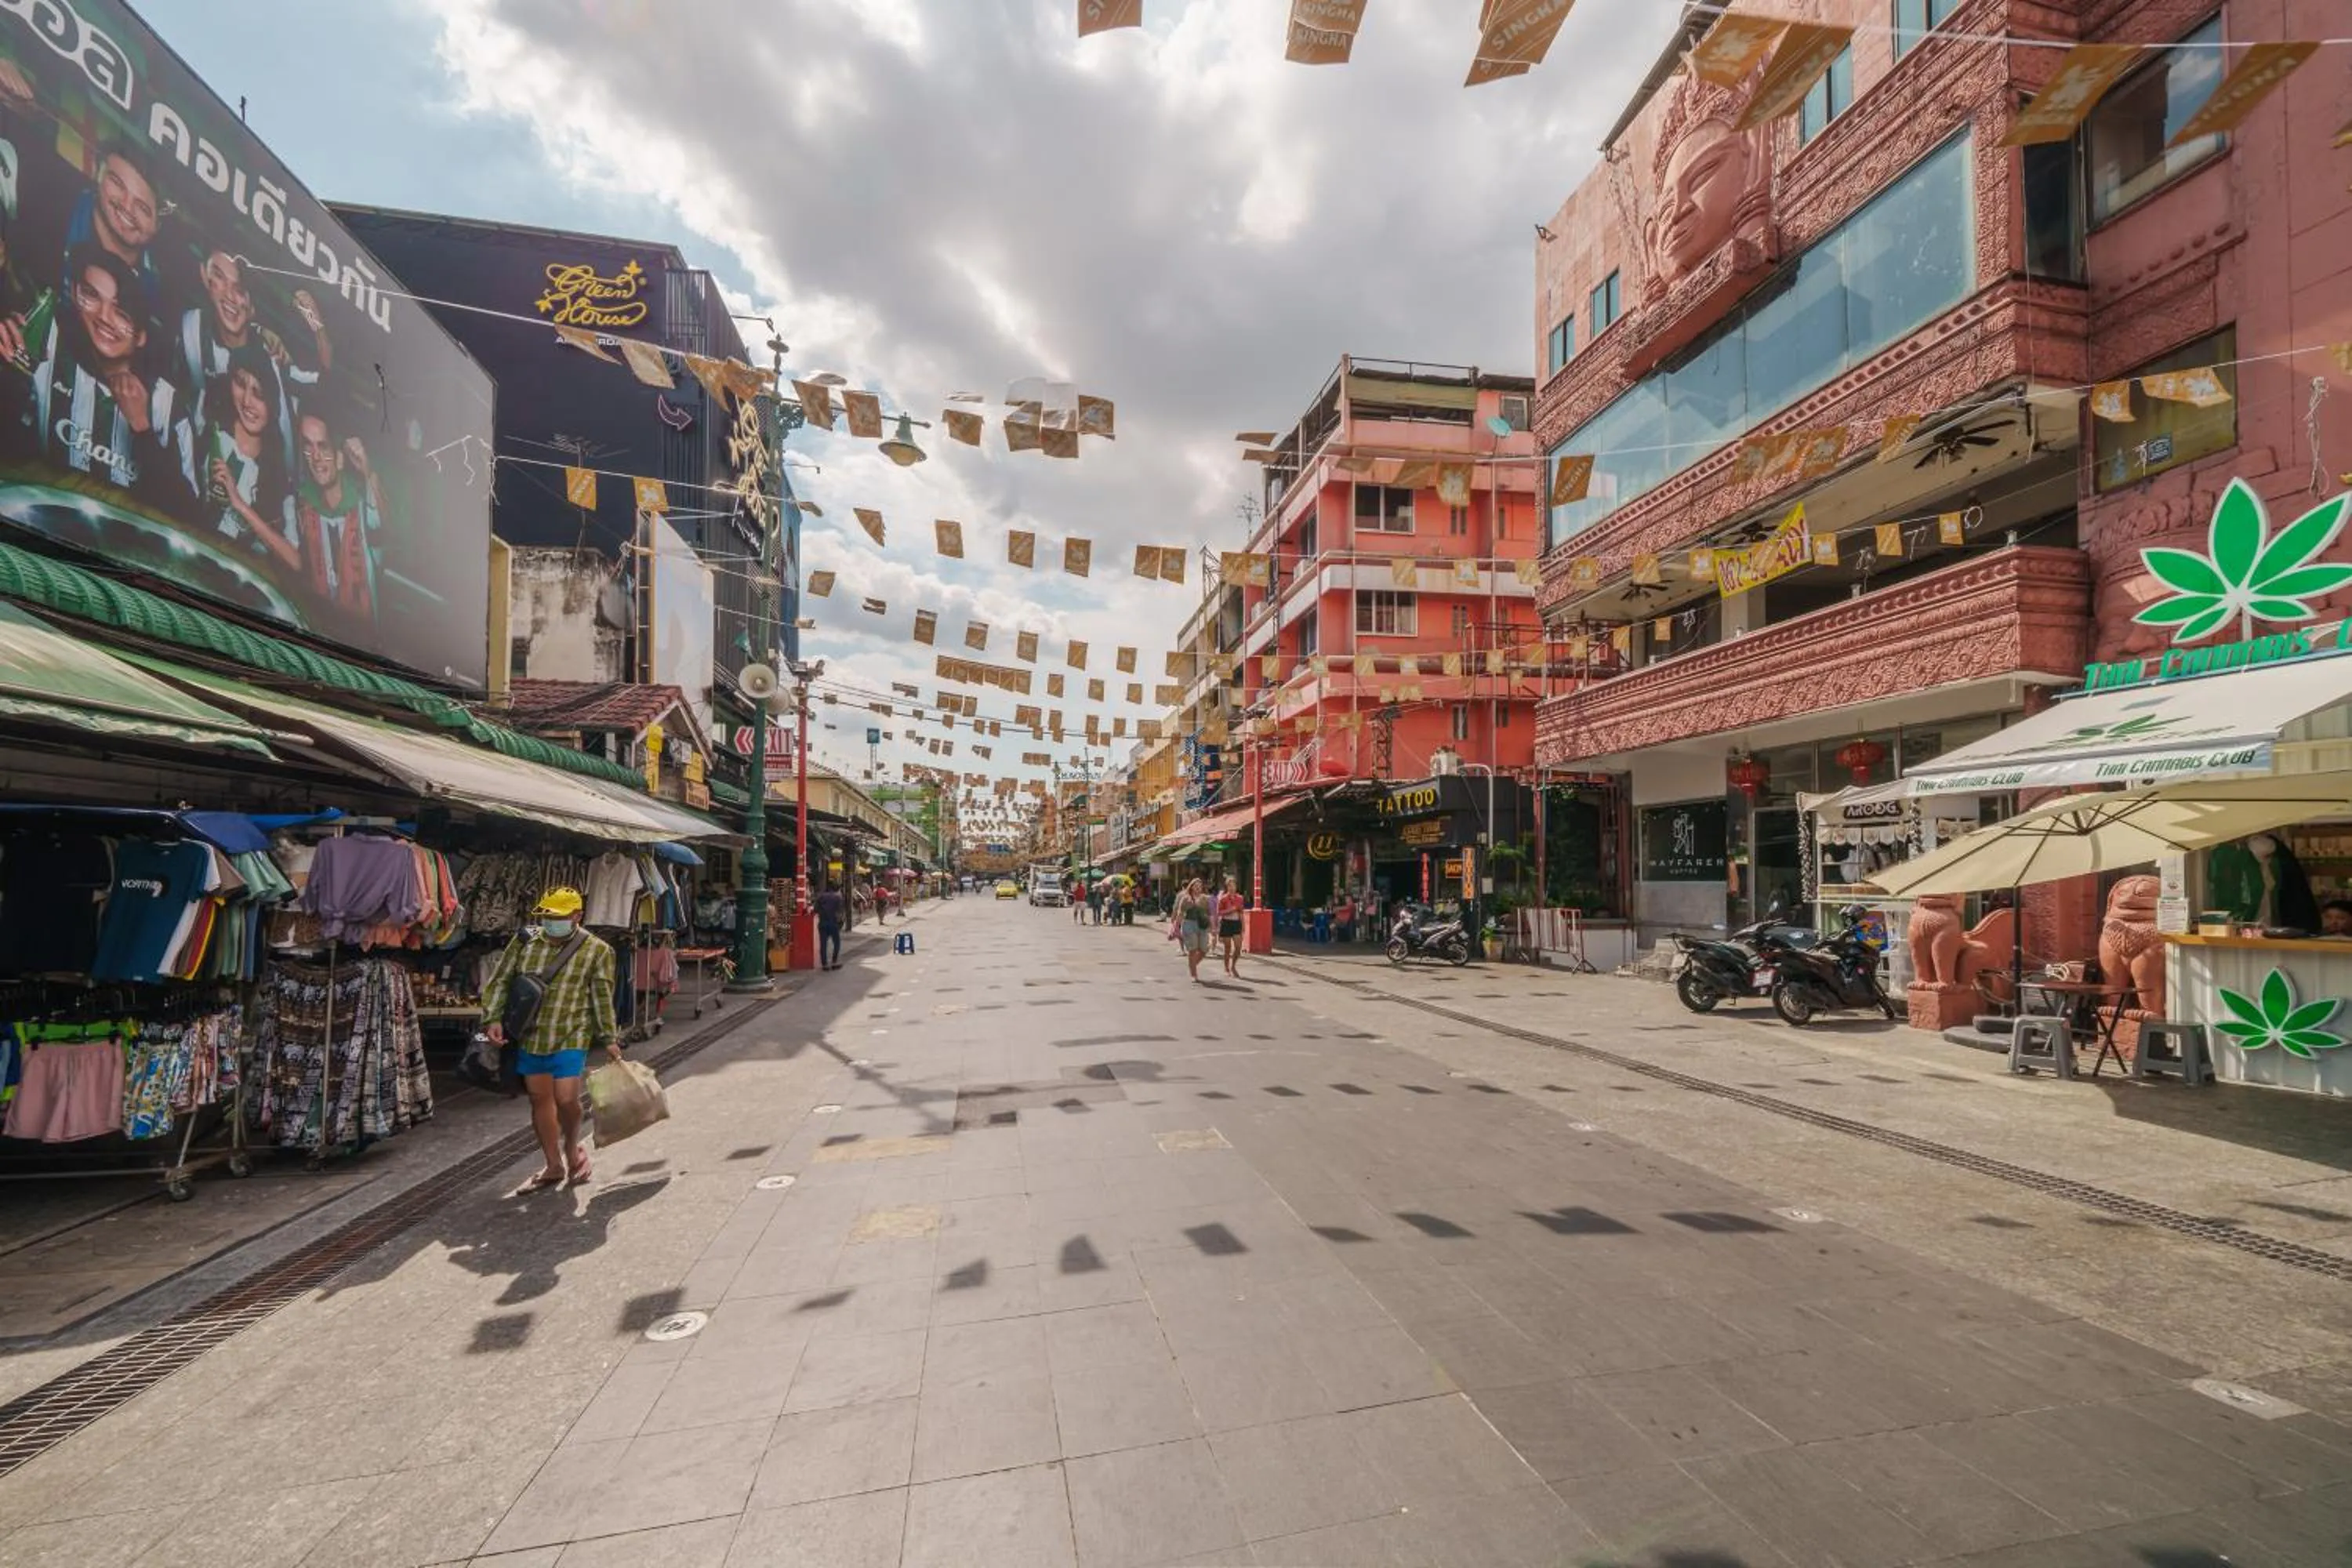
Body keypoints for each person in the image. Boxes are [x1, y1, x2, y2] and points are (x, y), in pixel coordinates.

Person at [21, 244, 193, 506]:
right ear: (76, 293)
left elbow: (187, 515)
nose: (104, 317)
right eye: (92, 295)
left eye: (121, 312)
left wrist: (142, 428)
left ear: (142, 336)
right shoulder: (48, 344)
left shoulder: (169, 407)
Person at [480, 887, 620, 1193]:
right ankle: (553, 1164)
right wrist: (492, 1017)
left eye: (557, 917)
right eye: (546, 916)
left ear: (577, 916)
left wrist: (608, 1037)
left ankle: (573, 1148)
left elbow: (601, 996)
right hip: (531, 1035)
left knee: (567, 1098)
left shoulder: (597, 950)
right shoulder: (525, 942)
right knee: (539, 1099)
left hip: (571, 1033)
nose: (550, 922)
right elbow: (501, 980)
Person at [202, 343, 299, 572]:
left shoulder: (277, 477)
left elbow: (295, 562)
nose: (247, 402)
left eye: (260, 394)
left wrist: (240, 505)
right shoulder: (206, 433)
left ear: (275, 404)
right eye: (240, 383)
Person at [294, 411, 382, 619]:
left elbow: (380, 522)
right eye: (308, 446)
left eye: (323, 447)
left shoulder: (361, 508)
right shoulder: (302, 506)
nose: (315, 457)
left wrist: (367, 468)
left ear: (340, 459)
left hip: (358, 633)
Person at [1172, 877, 1212, 982]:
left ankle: (1192, 965)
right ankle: (1194, 974)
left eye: (1200, 886)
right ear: (1191, 887)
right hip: (1189, 924)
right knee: (1193, 950)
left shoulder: (1204, 899)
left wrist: (1212, 927)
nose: (1198, 888)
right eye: (1196, 886)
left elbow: (1209, 913)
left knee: (1204, 950)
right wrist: (1176, 927)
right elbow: (1180, 914)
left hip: (1202, 925)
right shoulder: (1186, 898)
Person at [1215, 876, 1247, 978]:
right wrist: (1229, 910)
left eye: (1234, 886)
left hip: (1236, 923)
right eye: (1230, 886)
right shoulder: (1223, 898)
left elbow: (1241, 913)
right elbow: (1219, 912)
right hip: (1226, 923)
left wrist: (1243, 926)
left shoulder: (1240, 898)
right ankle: (1226, 967)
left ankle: (1233, 966)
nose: (1232, 888)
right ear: (1227, 887)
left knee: (1238, 947)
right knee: (1227, 948)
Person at [815, 881, 847, 969]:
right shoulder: (838, 897)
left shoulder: (820, 897)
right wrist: (840, 922)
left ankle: (824, 964)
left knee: (823, 944)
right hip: (834, 923)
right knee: (837, 943)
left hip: (823, 923)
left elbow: (815, 910)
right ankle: (834, 962)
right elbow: (840, 912)